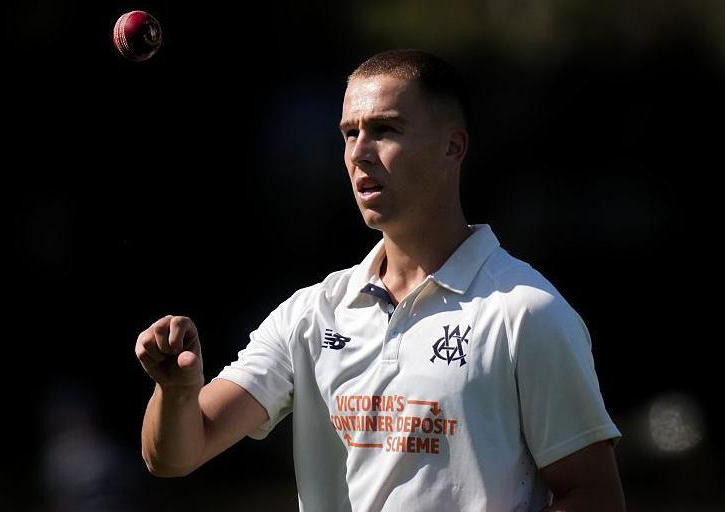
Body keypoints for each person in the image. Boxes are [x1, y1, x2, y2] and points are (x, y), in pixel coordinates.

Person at [134, 49, 625, 511]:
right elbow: (174, 456)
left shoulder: (528, 312)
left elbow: (593, 496)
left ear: (452, 146)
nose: (360, 153)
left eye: (385, 129)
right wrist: (177, 392)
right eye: (350, 133)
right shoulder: (310, 313)